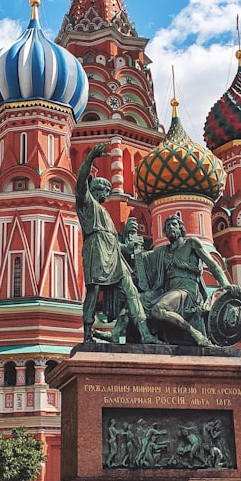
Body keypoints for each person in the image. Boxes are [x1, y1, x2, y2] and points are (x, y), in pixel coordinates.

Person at [75, 144, 158, 344]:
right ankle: (87, 331)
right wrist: (91, 157)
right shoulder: (86, 203)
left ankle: (145, 333)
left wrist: (126, 247)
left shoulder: (105, 214)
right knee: (93, 291)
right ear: (94, 189)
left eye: (108, 189)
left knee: (131, 291)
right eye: (104, 189)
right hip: (96, 251)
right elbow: (80, 183)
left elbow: (112, 240)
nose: (107, 192)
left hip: (114, 254)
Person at [134, 212, 234, 346]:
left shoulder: (191, 243)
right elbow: (142, 258)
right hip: (168, 291)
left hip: (187, 291)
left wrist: (225, 284)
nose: (170, 228)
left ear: (181, 228)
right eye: (168, 225)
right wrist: (131, 245)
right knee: (136, 300)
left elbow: (212, 264)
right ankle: (120, 333)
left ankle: (195, 333)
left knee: (158, 310)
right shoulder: (162, 251)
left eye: (174, 224)